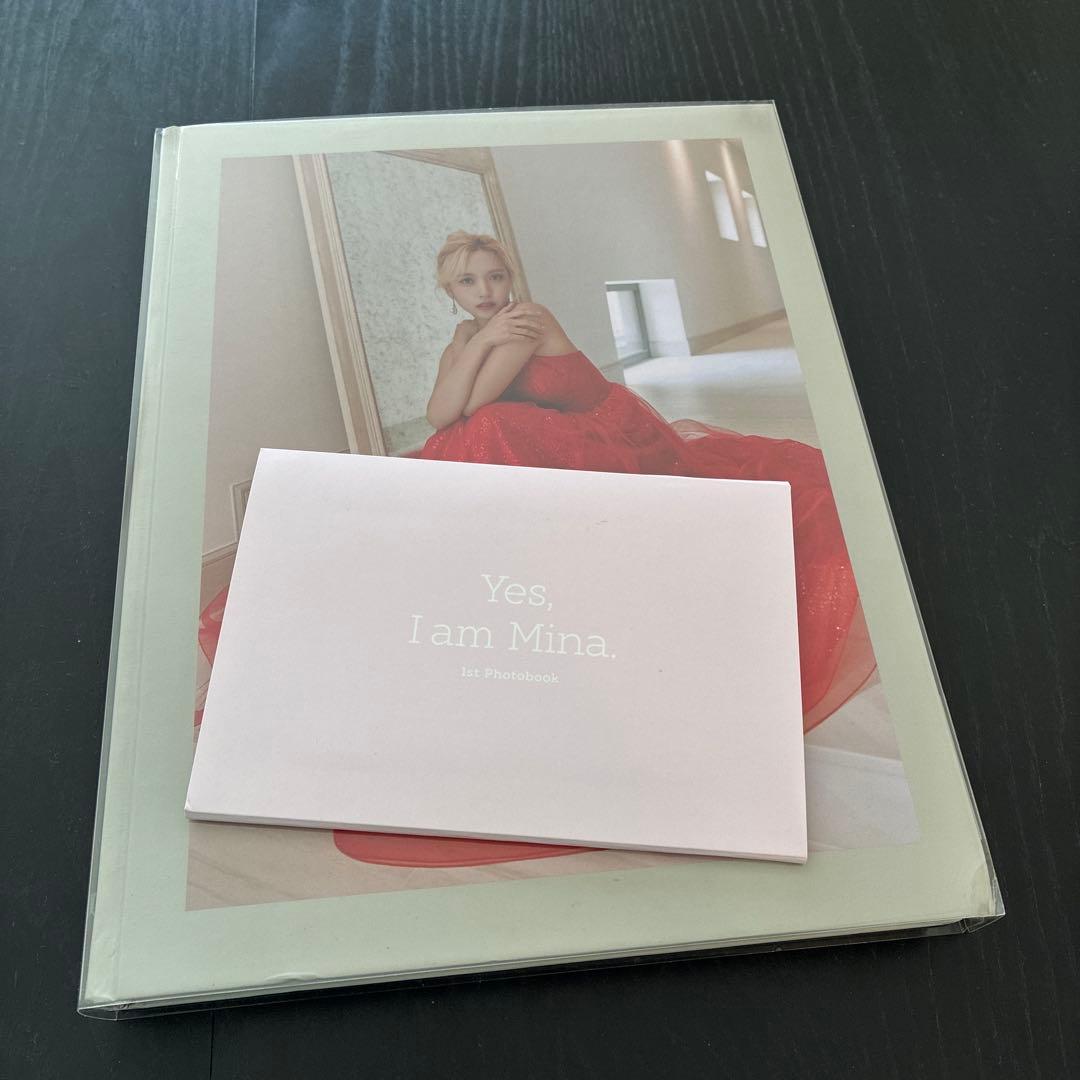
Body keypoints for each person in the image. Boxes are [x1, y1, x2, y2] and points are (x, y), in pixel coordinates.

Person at [416, 231, 877, 730]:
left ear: (510, 278)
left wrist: (479, 343)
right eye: (468, 281)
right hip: (561, 434)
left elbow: (470, 404)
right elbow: (439, 414)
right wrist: (472, 341)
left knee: (486, 425)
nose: (485, 290)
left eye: (495, 276)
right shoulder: (467, 335)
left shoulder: (528, 319)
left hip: (609, 431)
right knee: (461, 436)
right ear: (450, 291)